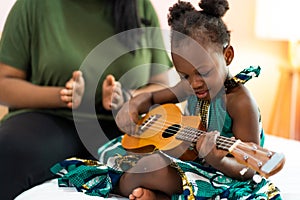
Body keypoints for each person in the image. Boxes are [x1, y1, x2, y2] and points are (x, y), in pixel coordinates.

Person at [96, 0, 283, 199]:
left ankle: (136, 190)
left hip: (222, 175)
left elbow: (248, 171)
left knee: (150, 167)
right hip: (190, 161)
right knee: (115, 151)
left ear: (227, 56)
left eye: (203, 72)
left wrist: (217, 160)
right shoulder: (190, 87)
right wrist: (132, 105)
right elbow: (151, 96)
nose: (194, 84)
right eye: (184, 75)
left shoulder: (240, 102)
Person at [0, 0, 173, 199]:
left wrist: (128, 98)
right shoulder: (32, 6)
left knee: (159, 169)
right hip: (50, 118)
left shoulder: (141, 6)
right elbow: (4, 83)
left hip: (121, 127)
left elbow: (161, 86)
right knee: (8, 151)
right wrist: (61, 96)